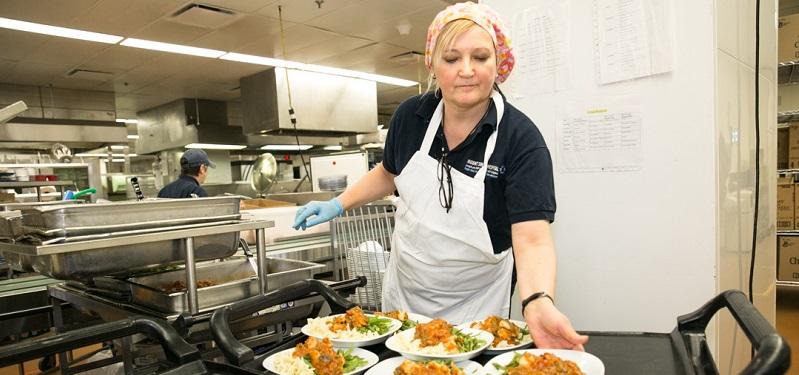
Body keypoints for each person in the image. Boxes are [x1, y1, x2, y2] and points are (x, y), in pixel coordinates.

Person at [293, 2, 588, 350]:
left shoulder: (521, 140)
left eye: (480, 57)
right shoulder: (410, 117)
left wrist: (537, 300)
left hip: (476, 306)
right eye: (452, 59)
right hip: (405, 295)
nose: (467, 70)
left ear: (499, 63)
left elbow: (533, 239)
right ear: (432, 63)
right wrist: (338, 203)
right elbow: (390, 173)